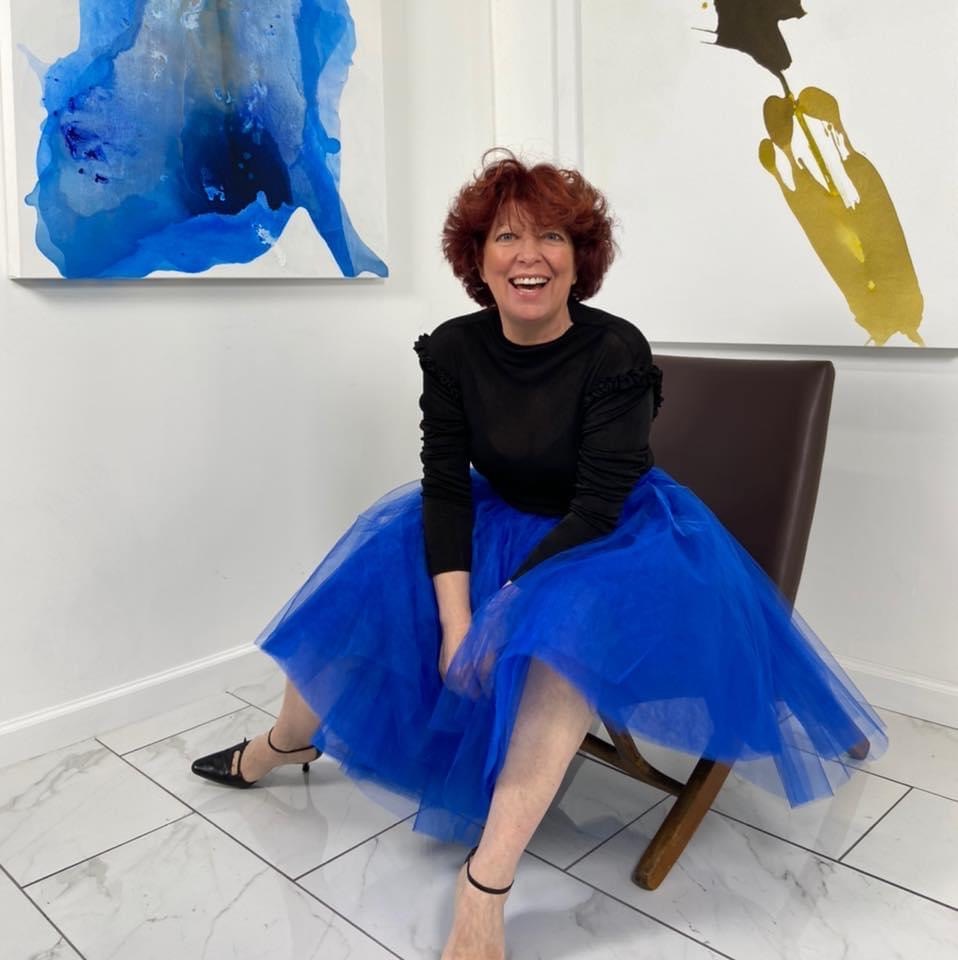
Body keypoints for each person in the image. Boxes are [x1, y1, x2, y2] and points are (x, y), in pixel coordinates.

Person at [191, 151, 886, 960]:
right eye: (507, 237)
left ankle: (485, 885)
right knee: (379, 567)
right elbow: (446, 488)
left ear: (578, 257)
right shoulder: (452, 351)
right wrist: (458, 622)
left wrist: (504, 605)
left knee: (562, 629)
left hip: (620, 536)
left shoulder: (615, 350)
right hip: (503, 518)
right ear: (478, 260)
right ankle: (287, 740)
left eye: (551, 235)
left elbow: (596, 505)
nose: (530, 255)